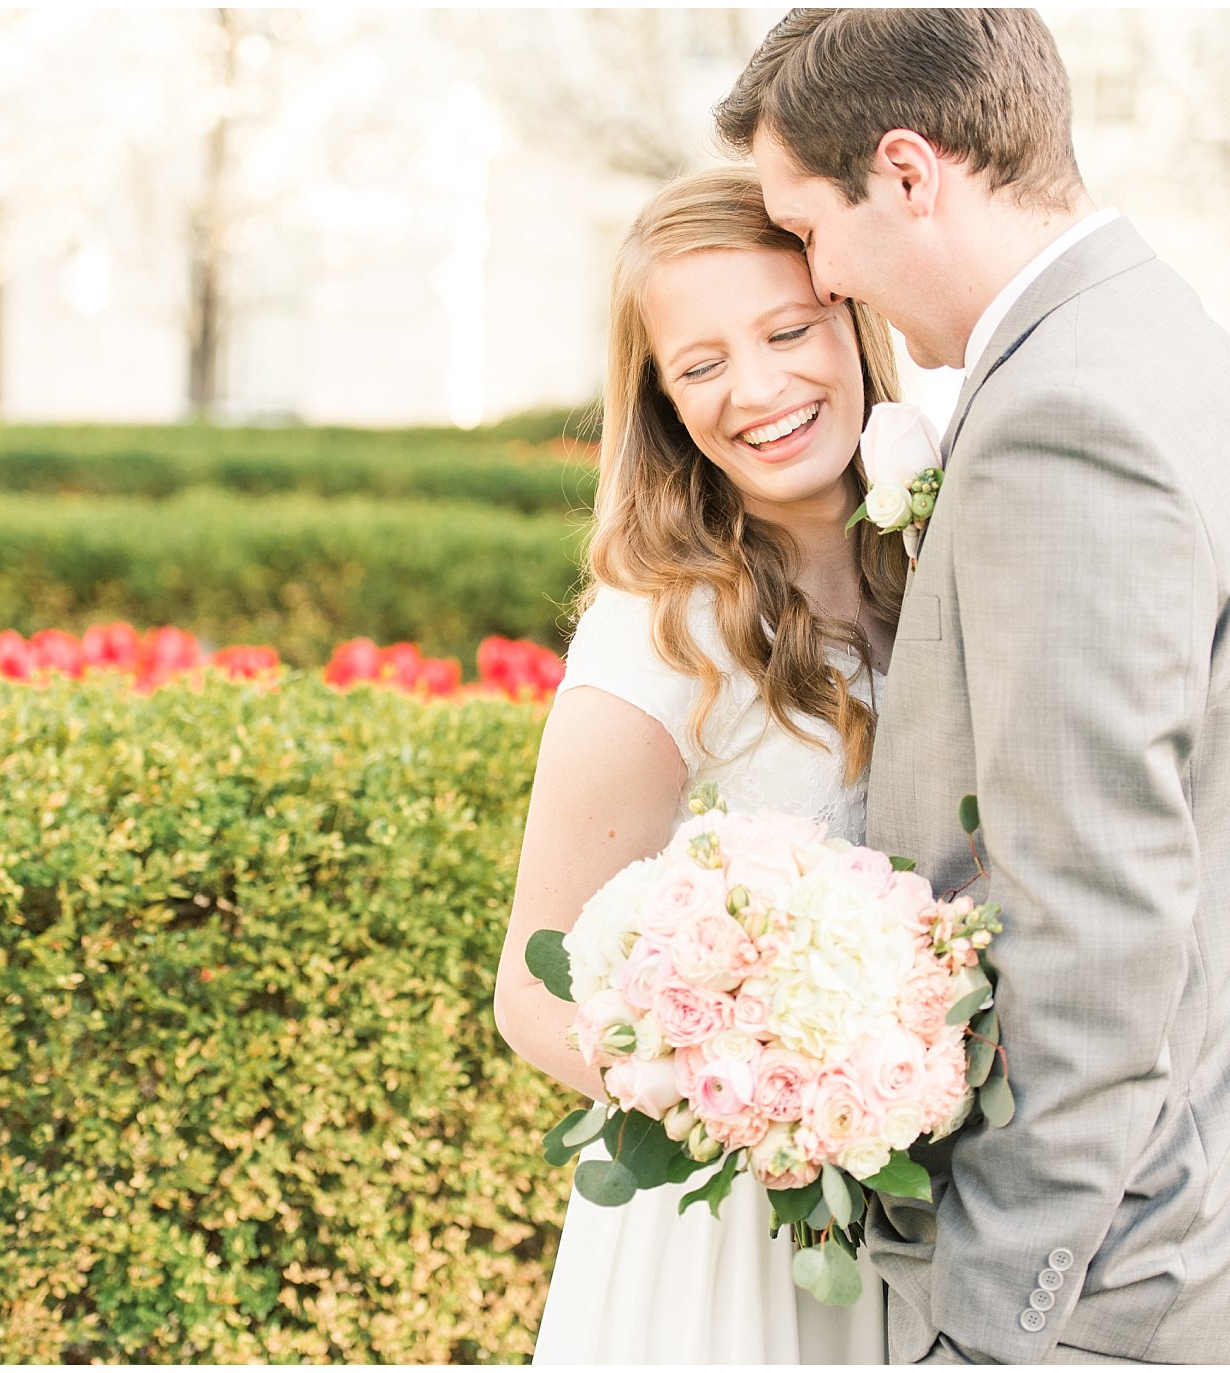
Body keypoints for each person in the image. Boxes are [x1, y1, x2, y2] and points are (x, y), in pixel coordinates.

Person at [712, 8, 1230, 1365]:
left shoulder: (1060, 420)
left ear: (909, 173)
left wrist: (994, 1310)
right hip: (1209, 1211)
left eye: (808, 227)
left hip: (1124, 1279)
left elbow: (1094, 909)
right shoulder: (1161, 336)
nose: (822, 274)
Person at [492, 164, 905, 1363]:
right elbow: (530, 989)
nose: (759, 388)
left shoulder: (935, 564)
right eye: (701, 362)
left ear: (853, 324)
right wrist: (747, 1097)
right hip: (732, 1233)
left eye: (787, 330)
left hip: (929, 1208)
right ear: (664, 402)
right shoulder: (659, 629)